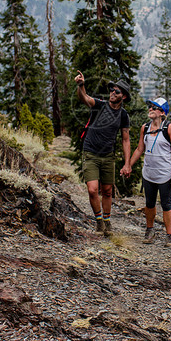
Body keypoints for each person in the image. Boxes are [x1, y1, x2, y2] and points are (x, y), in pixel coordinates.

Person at [74, 71, 132, 236]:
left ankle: (107, 221)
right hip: (90, 152)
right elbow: (84, 98)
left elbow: (126, 139)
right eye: (112, 89)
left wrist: (127, 164)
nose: (113, 92)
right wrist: (81, 85)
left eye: (117, 91)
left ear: (124, 97)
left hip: (108, 156)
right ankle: (98, 221)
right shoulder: (100, 105)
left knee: (107, 191)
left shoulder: (123, 115)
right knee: (93, 190)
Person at [128, 97, 171, 246]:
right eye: (150, 106)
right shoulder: (145, 128)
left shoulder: (169, 128)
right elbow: (139, 149)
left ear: (162, 112)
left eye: (154, 107)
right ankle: (150, 230)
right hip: (149, 173)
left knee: (166, 204)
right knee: (149, 203)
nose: (150, 109)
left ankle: (170, 236)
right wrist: (128, 165)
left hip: (165, 174)